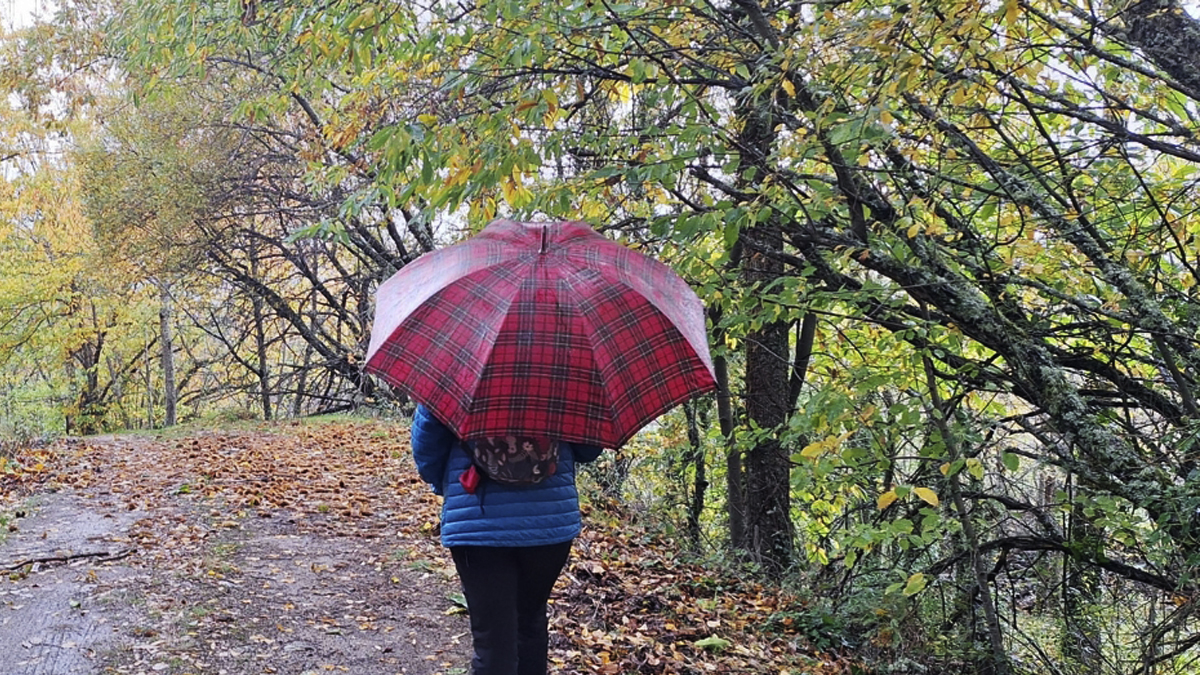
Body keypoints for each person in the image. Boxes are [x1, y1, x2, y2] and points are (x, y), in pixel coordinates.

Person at [411, 403, 603, 675]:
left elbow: (427, 446)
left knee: (492, 641)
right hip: (549, 522)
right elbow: (589, 448)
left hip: (477, 520)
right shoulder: (566, 376)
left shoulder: (458, 370)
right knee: (531, 622)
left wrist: (447, 485)